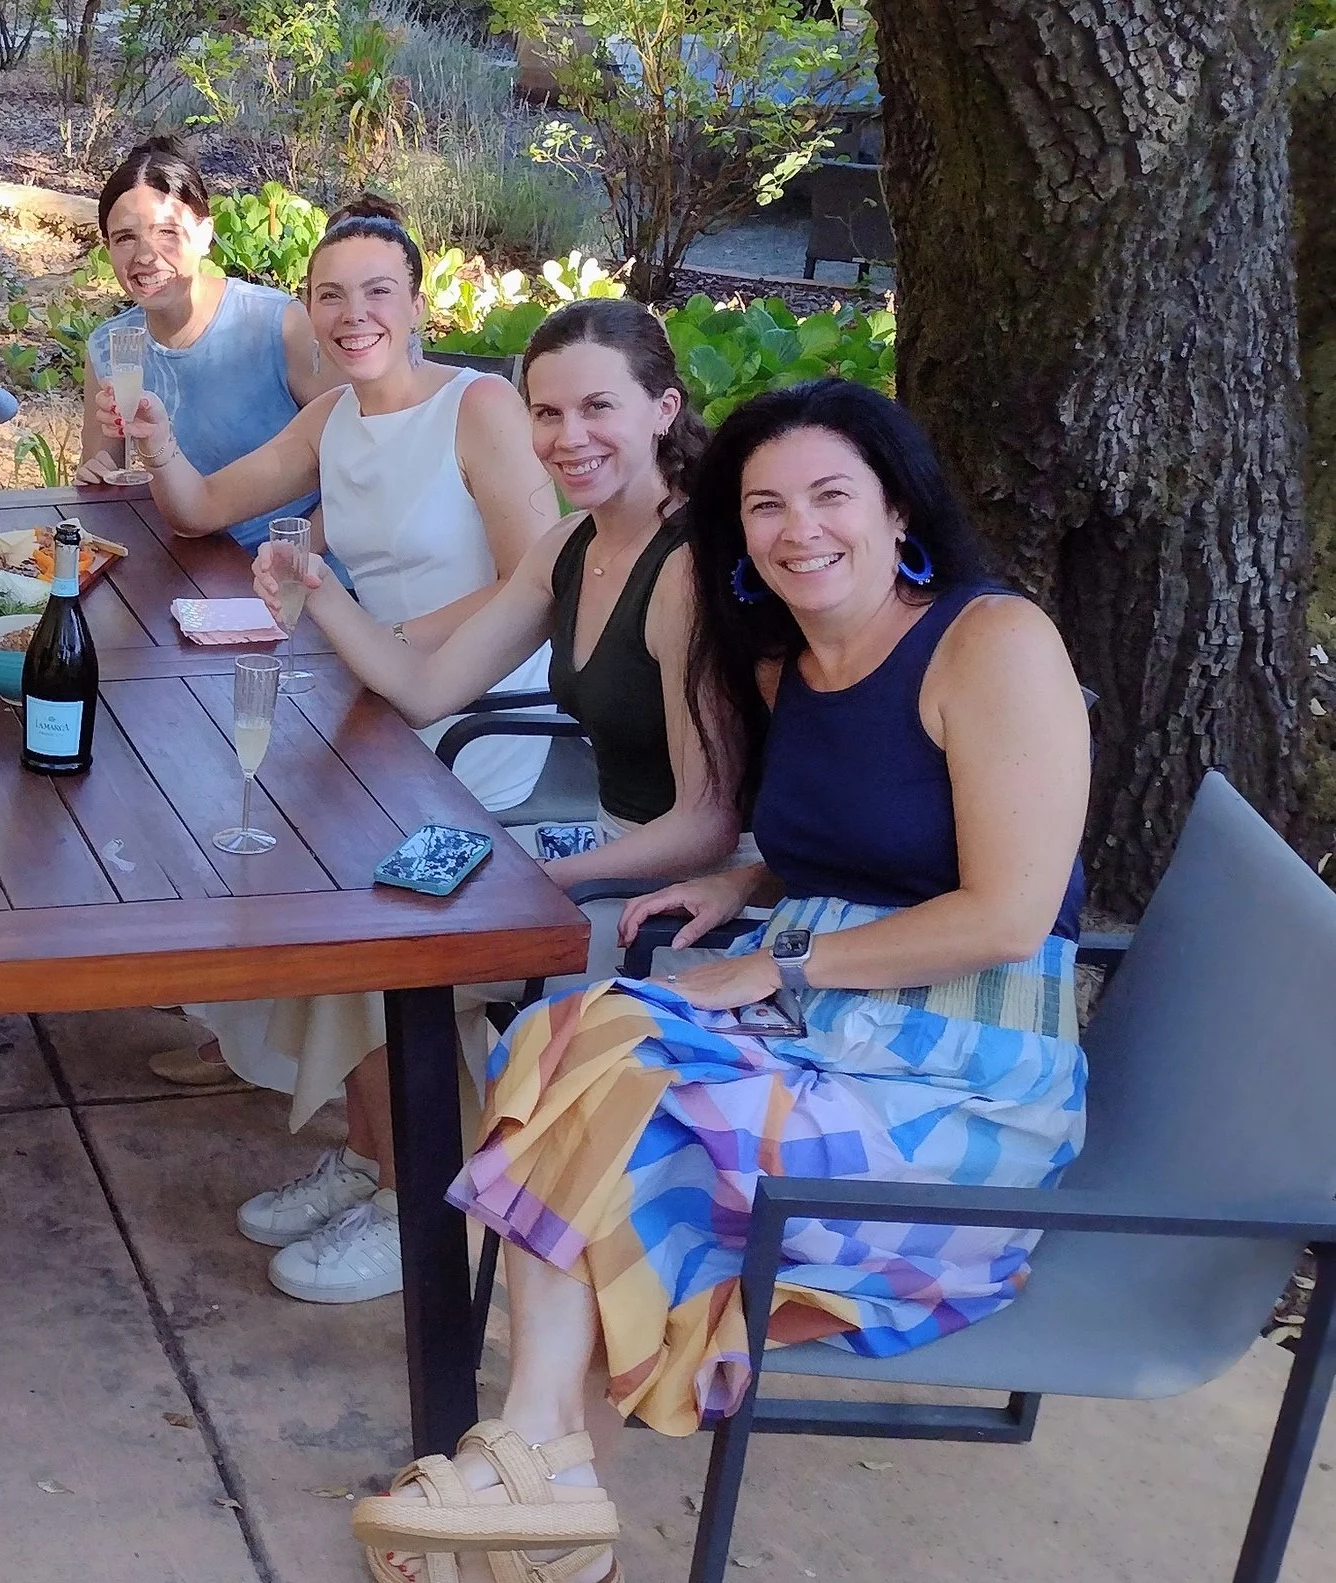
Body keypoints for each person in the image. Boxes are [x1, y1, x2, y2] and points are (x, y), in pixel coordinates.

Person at [350, 380, 1091, 1583]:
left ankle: (538, 1477)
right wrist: (747, 877)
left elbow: (1005, 914)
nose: (800, 529)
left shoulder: (991, 642)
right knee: (566, 1037)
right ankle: (544, 1476)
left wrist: (777, 957)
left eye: (830, 495)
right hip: (819, 1025)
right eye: (765, 505)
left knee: (626, 1117)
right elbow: (867, 832)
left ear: (898, 509)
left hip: (961, 1083)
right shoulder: (790, 665)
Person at [118, 195, 560, 1303]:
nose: (353, 313)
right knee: (273, 845)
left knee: (349, 893)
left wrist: (387, 646)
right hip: (385, 691)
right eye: (330, 296)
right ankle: (372, 1154)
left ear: (417, 303)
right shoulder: (335, 419)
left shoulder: (477, 406)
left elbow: (536, 579)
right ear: (309, 313)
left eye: (376, 291)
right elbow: (201, 507)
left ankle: (424, 1199)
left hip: (481, 712)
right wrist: (159, 445)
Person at [257, 297, 745, 942]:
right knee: (346, 921)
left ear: (664, 409)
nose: (570, 437)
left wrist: (539, 877)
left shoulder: (684, 571)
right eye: (547, 413)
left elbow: (706, 827)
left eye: (598, 407)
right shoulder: (570, 544)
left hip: (681, 908)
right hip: (606, 862)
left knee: (383, 953)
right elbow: (425, 692)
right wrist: (317, 591)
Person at [71, 136, 338, 545]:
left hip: (294, 561)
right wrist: (97, 477)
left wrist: (300, 556)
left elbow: (352, 460)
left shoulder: (276, 323)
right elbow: (105, 471)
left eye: (166, 232)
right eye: (125, 237)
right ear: (107, 247)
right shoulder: (110, 346)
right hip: (179, 558)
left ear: (205, 234)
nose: (145, 256)